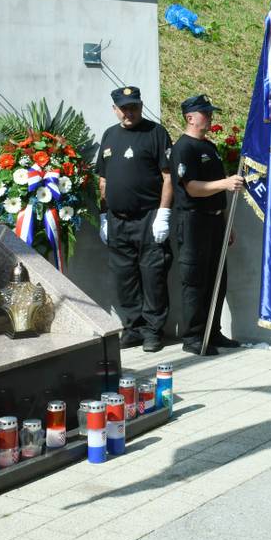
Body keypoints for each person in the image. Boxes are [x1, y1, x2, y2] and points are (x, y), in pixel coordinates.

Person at [95, 86, 173, 352]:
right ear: (115, 109)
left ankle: (153, 331)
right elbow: (103, 180)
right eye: (123, 108)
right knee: (124, 277)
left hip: (148, 218)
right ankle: (133, 327)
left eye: (133, 107)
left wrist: (164, 214)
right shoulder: (110, 135)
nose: (129, 112)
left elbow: (168, 177)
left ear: (140, 106)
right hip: (117, 221)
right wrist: (104, 214)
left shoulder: (155, 133)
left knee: (153, 276)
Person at [170, 94, 245, 356]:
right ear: (190, 117)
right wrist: (224, 183)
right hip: (193, 222)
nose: (210, 117)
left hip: (214, 221)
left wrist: (226, 223)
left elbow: (216, 193)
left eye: (210, 113)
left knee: (217, 279)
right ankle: (193, 337)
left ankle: (213, 332)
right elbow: (191, 188)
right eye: (205, 113)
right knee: (195, 281)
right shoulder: (183, 148)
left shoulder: (209, 147)